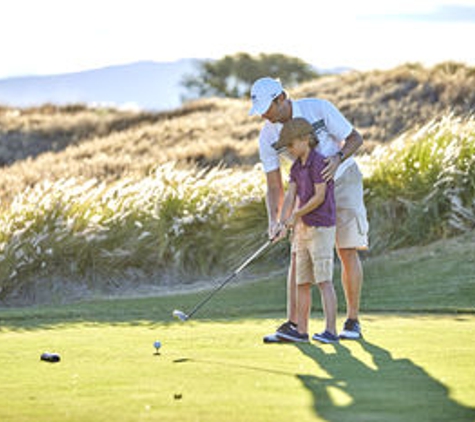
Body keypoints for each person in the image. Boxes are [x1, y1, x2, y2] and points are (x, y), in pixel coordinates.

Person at [249, 77, 368, 342]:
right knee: (298, 254)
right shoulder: (268, 135)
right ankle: (294, 325)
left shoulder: (318, 108)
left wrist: (337, 158)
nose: (265, 116)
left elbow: (354, 138)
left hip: (344, 179)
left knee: (346, 249)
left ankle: (352, 321)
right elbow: (274, 185)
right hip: (309, 192)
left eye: (268, 108)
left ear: (281, 98)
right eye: (261, 111)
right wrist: (275, 220)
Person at [273, 117, 339, 343]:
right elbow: (291, 195)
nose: (289, 150)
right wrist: (282, 222)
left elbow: (319, 197)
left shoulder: (319, 162)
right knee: (301, 282)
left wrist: (295, 215)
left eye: (290, 144)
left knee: (323, 280)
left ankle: (331, 331)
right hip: (302, 230)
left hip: (321, 226)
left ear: (304, 140)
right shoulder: (296, 166)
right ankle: (301, 331)